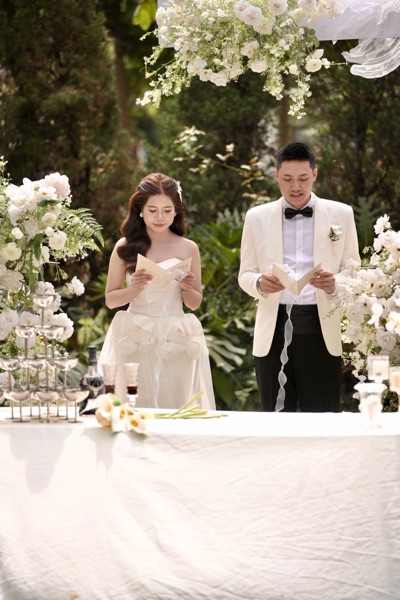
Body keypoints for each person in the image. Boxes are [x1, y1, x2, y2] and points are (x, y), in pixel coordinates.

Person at [238, 142, 360, 412]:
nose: (296, 187)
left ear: (314, 174)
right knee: (275, 420)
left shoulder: (341, 213)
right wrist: (259, 283)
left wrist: (335, 283)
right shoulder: (256, 218)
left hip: (320, 328)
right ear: (276, 176)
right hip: (274, 330)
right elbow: (245, 274)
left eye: (303, 178)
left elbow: (353, 270)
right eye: (287, 179)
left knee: (323, 419)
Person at [98, 173, 215, 410]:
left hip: (176, 338)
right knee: (135, 402)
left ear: (176, 211)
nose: (160, 217)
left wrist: (186, 288)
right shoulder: (125, 246)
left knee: (177, 402)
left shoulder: (188, 248)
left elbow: (194, 303)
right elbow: (110, 300)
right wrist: (134, 289)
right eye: (152, 210)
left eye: (167, 210)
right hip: (136, 336)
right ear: (140, 210)